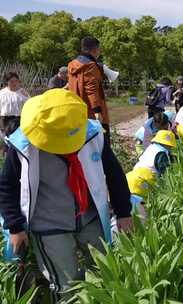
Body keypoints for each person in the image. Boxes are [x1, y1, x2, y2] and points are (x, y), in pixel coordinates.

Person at [0, 89, 133, 301]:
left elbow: (114, 174)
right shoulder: (24, 146)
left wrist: (124, 212)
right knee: (65, 284)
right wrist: (15, 227)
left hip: (90, 218)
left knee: (106, 272)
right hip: (49, 226)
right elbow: (7, 187)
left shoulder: (91, 134)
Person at [127, 130, 177, 221]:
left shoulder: (152, 147)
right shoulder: (162, 153)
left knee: (129, 209)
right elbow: (165, 173)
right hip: (141, 183)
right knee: (141, 215)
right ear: (168, 144)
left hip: (131, 178)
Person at [0, 72, 29, 138]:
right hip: (6, 120)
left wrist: (26, 97)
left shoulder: (23, 92)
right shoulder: (2, 93)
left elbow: (29, 104)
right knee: (8, 140)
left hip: (20, 119)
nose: (14, 83)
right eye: (11, 81)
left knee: (19, 141)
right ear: (7, 82)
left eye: (16, 81)